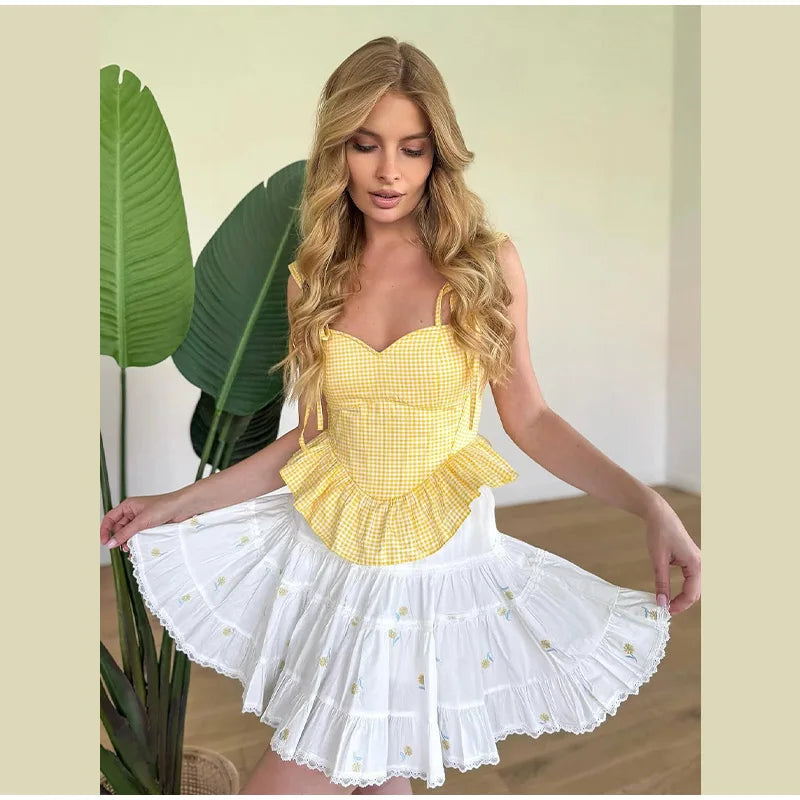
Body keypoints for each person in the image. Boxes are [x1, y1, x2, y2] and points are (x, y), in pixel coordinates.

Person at [99, 36, 701, 795]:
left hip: (435, 556)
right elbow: (313, 440)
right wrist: (176, 503)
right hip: (342, 551)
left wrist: (649, 505)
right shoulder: (312, 277)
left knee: (348, 773)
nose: (389, 171)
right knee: (377, 776)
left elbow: (532, 417)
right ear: (337, 149)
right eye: (366, 144)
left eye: (412, 149)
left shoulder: (484, 266)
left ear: (437, 156)